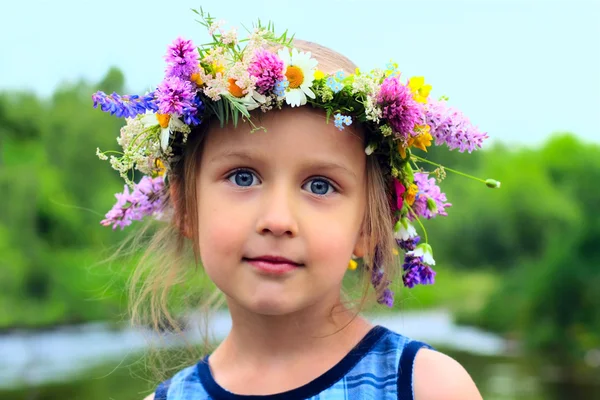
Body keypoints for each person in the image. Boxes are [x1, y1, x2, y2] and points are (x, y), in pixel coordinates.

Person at [93, 9, 496, 400]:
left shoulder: (425, 388)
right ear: (185, 208)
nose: (278, 220)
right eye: (243, 177)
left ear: (367, 227)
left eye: (320, 186)